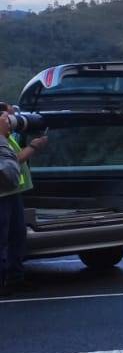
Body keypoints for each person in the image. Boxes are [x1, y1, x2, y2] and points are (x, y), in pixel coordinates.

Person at [0, 103, 46, 295]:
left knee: (17, 236)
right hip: (2, 195)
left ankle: (15, 279)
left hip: (13, 192)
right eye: (8, 117)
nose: (11, 121)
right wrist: (34, 147)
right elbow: (11, 160)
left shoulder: (7, 137)